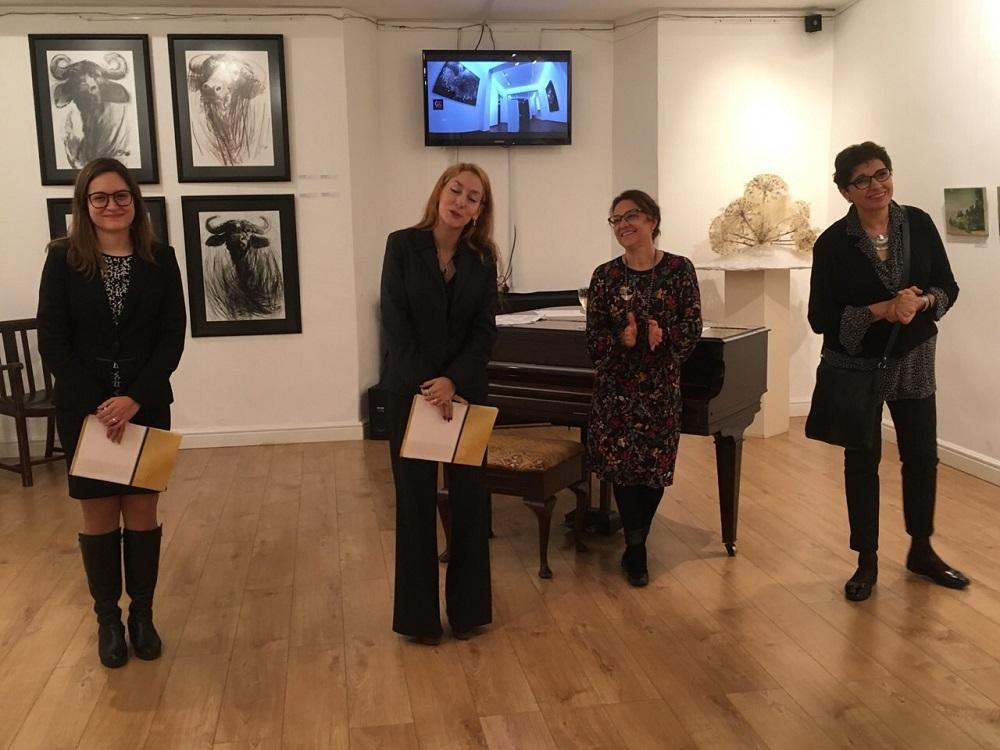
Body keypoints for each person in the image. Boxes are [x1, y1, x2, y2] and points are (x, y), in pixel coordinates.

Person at [37, 158, 186, 667]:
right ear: (84, 205)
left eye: (121, 195)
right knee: (99, 515)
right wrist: (102, 406)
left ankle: (142, 616)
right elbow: (53, 339)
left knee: (142, 514)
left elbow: (172, 337)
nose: (111, 205)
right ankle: (109, 622)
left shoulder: (161, 258)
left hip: (147, 408)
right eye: (99, 197)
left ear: (134, 202)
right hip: (86, 414)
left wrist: (134, 399)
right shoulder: (62, 258)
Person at [808, 141, 967, 602]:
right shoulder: (832, 243)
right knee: (862, 462)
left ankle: (922, 549)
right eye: (861, 180)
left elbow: (948, 286)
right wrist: (881, 309)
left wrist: (922, 302)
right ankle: (867, 559)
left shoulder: (917, 222)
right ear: (845, 191)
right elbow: (821, 317)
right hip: (856, 366)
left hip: (912, 356)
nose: (874, 186)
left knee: (921, 456)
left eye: (881, 174)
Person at [380, 163, 498, 642]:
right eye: (456, 190)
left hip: (466, 393)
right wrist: (431, 385)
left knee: (471, 504)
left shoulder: (483, 257)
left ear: (479, 211)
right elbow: (395, 323)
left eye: (473, 197)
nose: (461, 202)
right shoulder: (401, 245)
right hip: (411, 393)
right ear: (439, 193)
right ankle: (419, 620)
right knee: (414, 505)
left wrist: (454, 381)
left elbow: (484, 330)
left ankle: (469, 613)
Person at [586, 190, 702, 586]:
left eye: (631, 215)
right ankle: (636, 548)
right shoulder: (605, 276)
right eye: (616, 219)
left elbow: (693, 326)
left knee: (654, 472)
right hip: (615, 390)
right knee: (622, 470)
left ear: (652, 220)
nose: (623, 224)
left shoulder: (680, 269)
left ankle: (637, 538)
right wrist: (624, 338)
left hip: (660, 388)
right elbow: (593, 340)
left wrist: (663, 337)